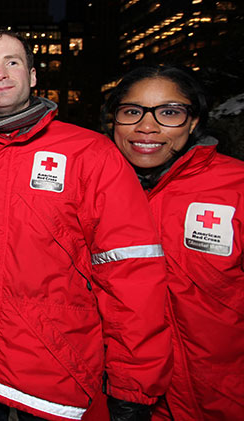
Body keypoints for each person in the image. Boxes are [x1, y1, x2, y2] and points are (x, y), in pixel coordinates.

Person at [0, 28, 173, 421]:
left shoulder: (89, 153)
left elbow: (130, 271)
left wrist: (133, 384)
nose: (0, 73)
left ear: (32, 76)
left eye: (12, 62)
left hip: (55, 375)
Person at [105, 66, 244, 421]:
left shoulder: (235, 189)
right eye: (131, 111)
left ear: (193, 121)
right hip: (122, 398)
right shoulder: (97, 189)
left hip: (219, 402)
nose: (146, 127)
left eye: (169, 112)